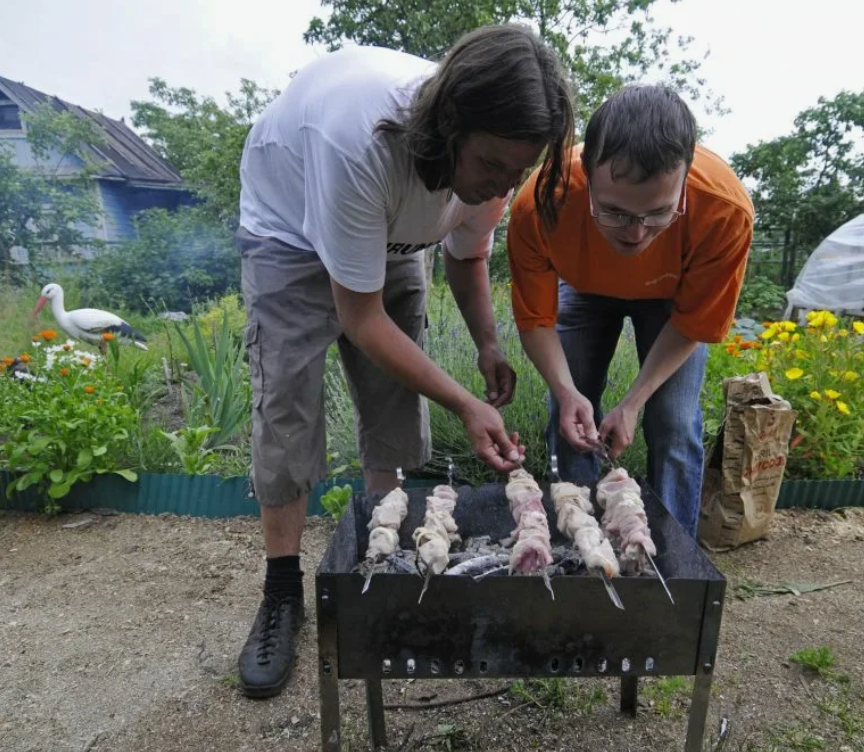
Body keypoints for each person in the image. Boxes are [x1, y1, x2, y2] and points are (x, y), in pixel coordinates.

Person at [233, 24, 575, 699]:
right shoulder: (358, 141)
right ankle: (280, 594)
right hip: (291, 229)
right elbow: (360, 319)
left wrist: (486, 343)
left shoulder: (493, 153)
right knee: (288, 407)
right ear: (449, 127)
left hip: (392, 237)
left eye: (517, 172)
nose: (500, 187)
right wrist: (465, 404)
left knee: (395, 399)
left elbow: (468, 252)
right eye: (492, 168)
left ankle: (381, 556)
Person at [507, 84, 753, 539]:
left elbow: (694, 321)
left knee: (673, 421)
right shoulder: (543, 201)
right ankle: (577, 536)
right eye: (614, 212)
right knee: (569, 414)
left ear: (686, 175)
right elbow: (536, 320)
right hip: (582, 286)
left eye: (659, 213)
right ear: (588, 176)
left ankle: (671, 546)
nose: (636, 235)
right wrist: (565, 390)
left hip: (669, 298)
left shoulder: (724, 210)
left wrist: (633, 402)